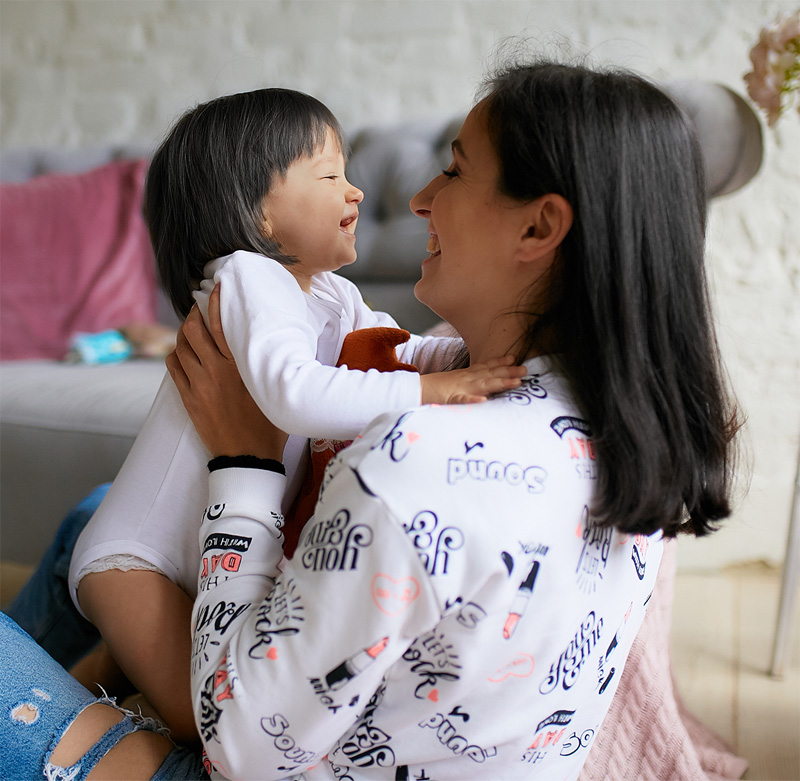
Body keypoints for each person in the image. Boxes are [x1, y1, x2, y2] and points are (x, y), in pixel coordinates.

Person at [159, 58, 742, 780]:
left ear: (539, 225)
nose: (419, 199)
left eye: (455, 171)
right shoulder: (639, 429)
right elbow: (410, 360)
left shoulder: (411, 463)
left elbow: (238, 745)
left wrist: (243, 467)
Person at [54, 87, 524, 742]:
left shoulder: (330, 293)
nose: (355, 192)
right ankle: (74, 705)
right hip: (135, 561)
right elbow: (296, 396)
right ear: (260, 215)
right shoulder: (248, 276)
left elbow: (397, 353)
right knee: (196, 720)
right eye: (330, 177)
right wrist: (435, 392)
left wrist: (477, 361)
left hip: (199, 552)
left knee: (162, 671)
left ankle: (101, 669)